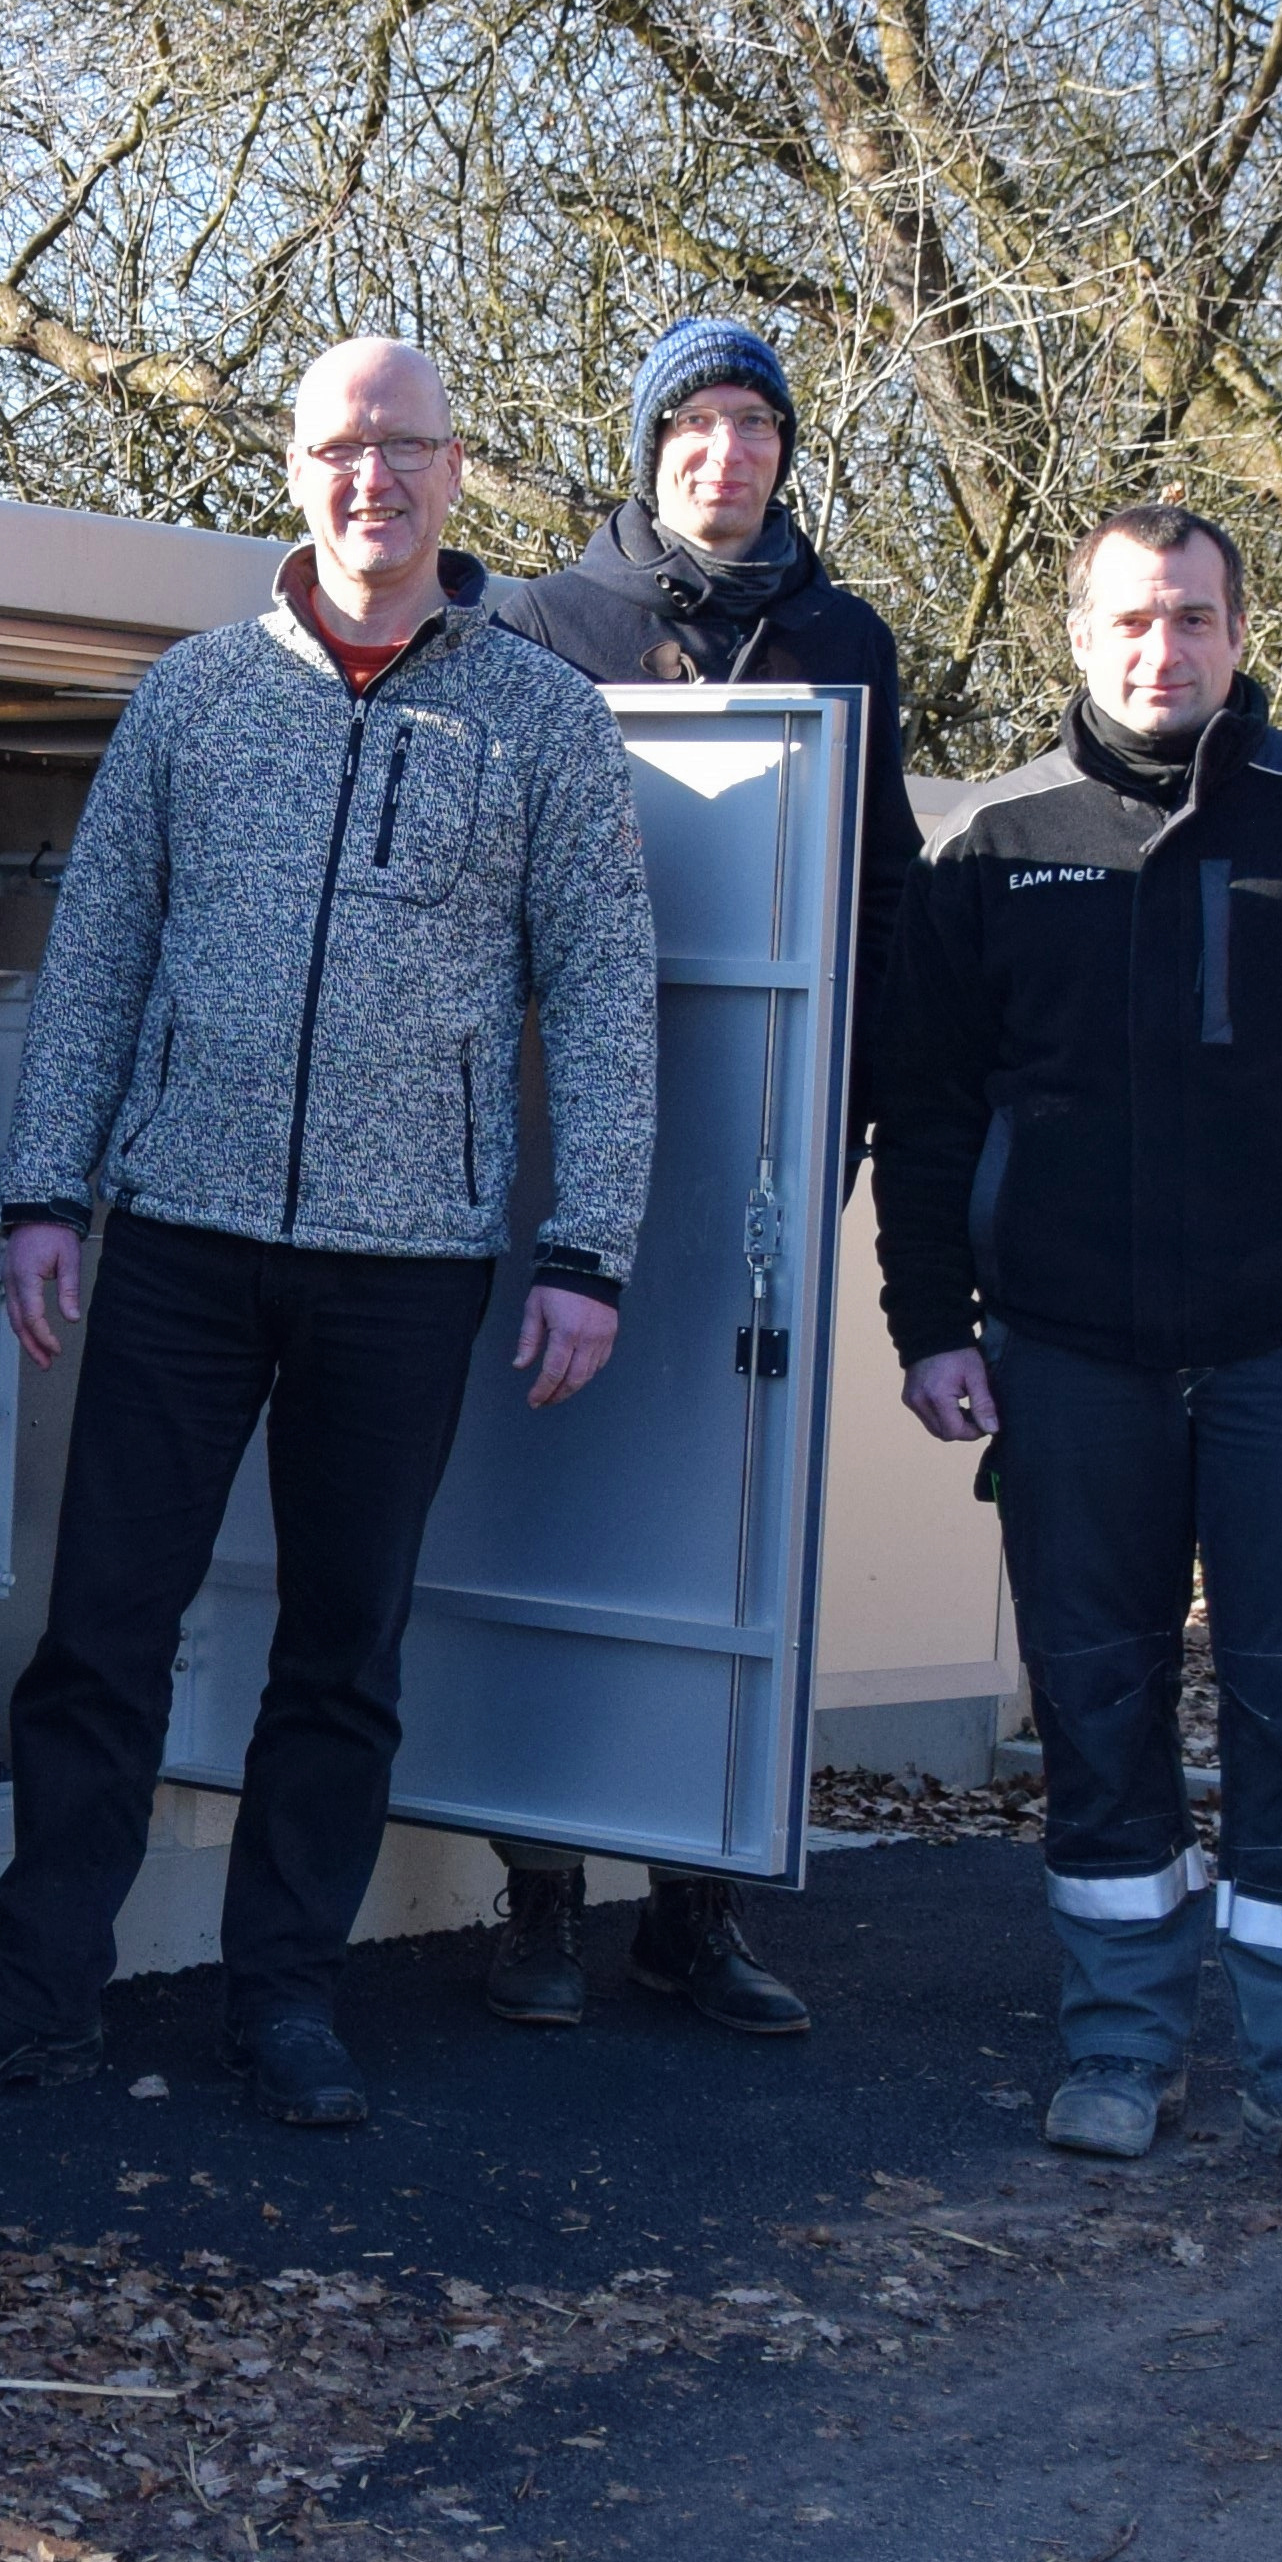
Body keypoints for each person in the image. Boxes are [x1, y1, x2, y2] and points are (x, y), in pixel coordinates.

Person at [0, 336, 662, 2132]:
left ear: (459, 472)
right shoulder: (197, 697)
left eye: (404, 445)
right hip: (182, 1235)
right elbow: (102, 953)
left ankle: (285, 1996)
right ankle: (38, 1982)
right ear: (295, 472)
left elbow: (605, 993)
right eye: (338, 446)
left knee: (342, 1642)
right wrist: (49, 1189)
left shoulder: (540, 718)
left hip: (410, 1258)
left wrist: (587, 1243)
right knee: (102, 1628)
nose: (370, 476)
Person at [876, 504, 1282, 2203]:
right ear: (1077, 637)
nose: (1169, 653)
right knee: (1093, 1696)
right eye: (1136, 622)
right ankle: (1121, 2045)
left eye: (1199, 620)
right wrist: (933, 1325)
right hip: (1070, 1348)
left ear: (1241, 629)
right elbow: (925, 1114)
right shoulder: (996, 841)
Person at [476, 315, 927, 2039]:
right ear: (647, 444)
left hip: (768, 1139)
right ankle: (540, 1897)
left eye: (754, 425)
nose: (725, 454)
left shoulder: (845, 639)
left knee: (739, 1499)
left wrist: (851, 1112)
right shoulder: (544, 621)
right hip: (566, 1139)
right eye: (694, 423)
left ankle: (699, 1900)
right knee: (561, 1482)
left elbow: (877, 895)